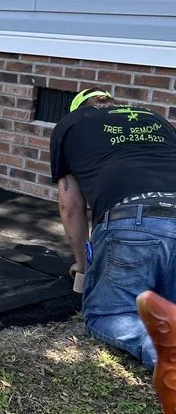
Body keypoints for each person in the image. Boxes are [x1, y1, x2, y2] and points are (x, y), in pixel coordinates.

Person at [50, 87, 176, 369]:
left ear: (78, 109)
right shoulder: (157, 119)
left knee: (107, 316)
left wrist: (84, 267)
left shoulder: (70, 124)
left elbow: (70, 206)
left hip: (131, 222)